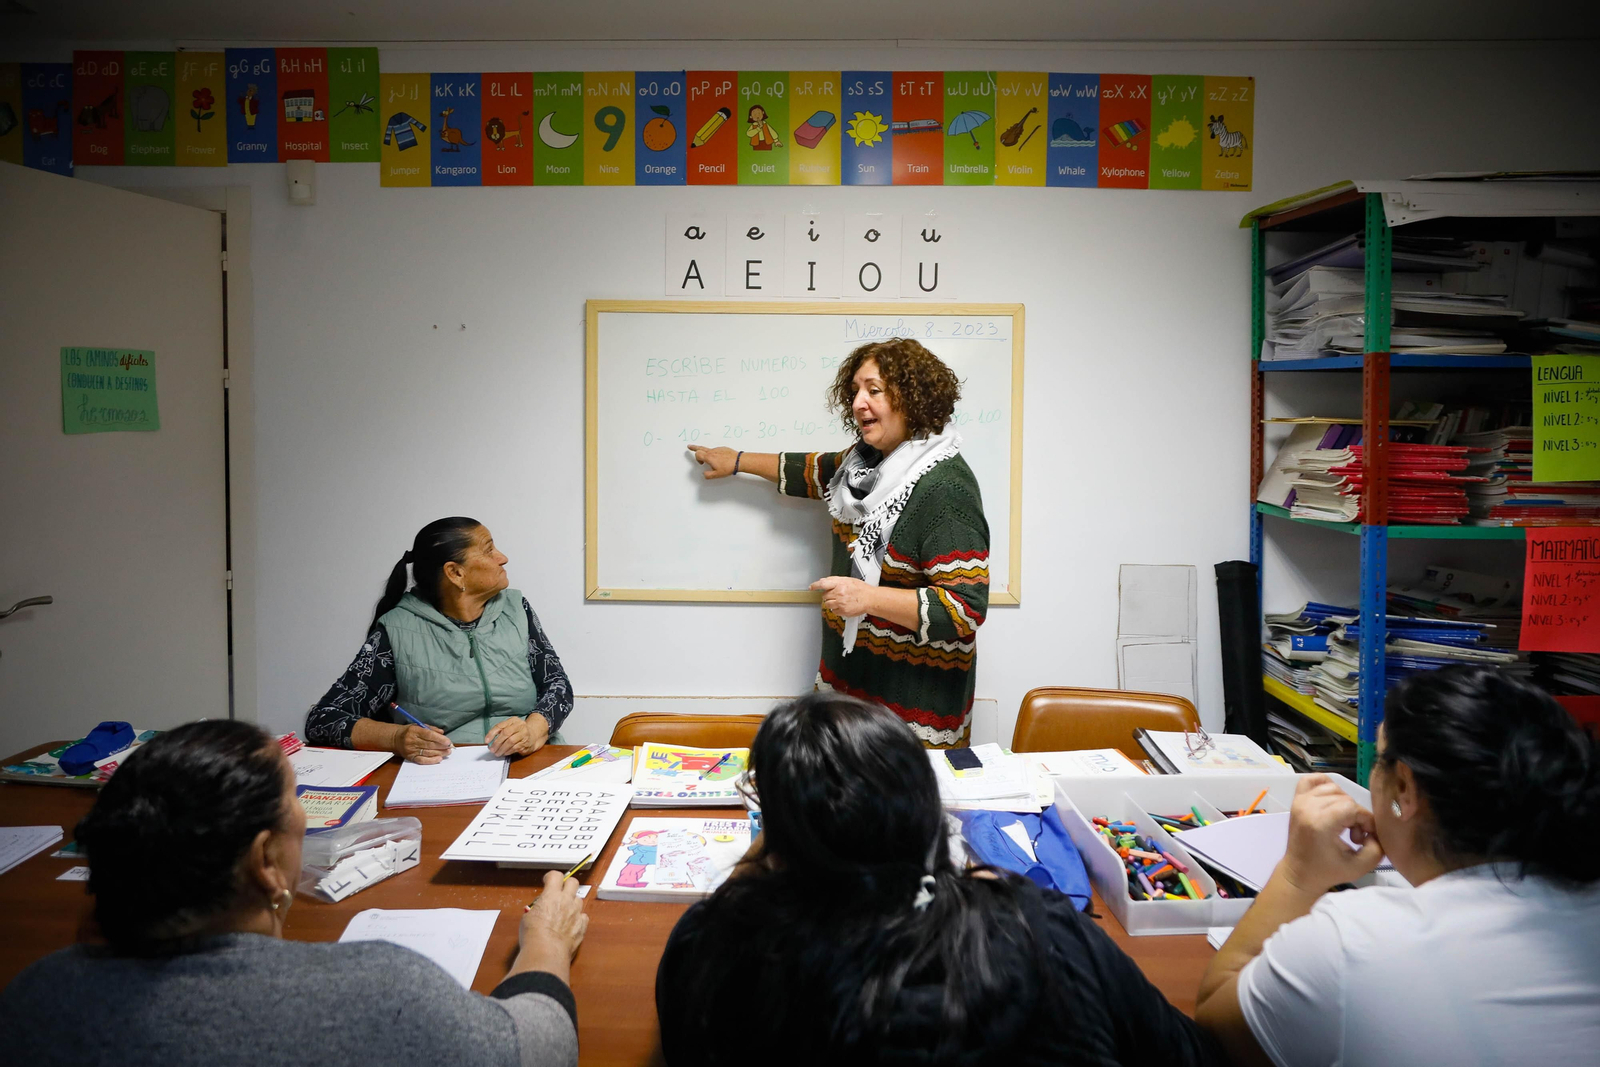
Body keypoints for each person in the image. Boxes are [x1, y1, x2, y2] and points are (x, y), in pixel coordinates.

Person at [656, 691, 1226, 1067]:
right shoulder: (1039, 929)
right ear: (929, 820)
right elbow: (1197, 1054)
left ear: (778, 849)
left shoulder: (715, 950)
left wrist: (754, 875)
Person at [0, 719, 587, 1067]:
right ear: (265, 862)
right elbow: (539, 1047)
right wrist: (547, 941)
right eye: (295, 800)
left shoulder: (35, 997)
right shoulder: (380, 991)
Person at [1195, 665, 1600, 1067]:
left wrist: (1297, 876)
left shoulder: (1351, 941)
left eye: (1377, 758)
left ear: (1403, 788)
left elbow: (1214, 1028)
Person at [689, 340, 989, 747]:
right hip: (850, 698)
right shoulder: (864, 462)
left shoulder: (944, 486)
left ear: (913, 397)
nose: (858, 403)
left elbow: (965, 609)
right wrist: (738, 460)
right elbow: (814, 471)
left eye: (874, 390)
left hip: (912, 717)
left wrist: (868, 598)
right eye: (855, 391)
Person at [305, 517, 572, 762]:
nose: (503, 558)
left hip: (529, 763)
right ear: (455, 573)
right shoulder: (399, 627)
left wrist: (532, 730)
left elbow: (557, 685)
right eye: (489, 550)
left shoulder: (516, 609)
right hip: (445, 771)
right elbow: (324, 719)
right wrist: (396, 738)